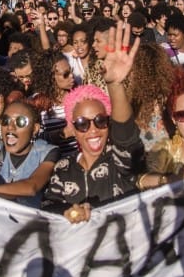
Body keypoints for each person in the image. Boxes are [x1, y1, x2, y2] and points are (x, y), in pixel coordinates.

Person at [43, 22, 144, 223]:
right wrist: (68, 212)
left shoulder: (119, 161)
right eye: (82, 123)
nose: (93, 130)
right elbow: (48, 208)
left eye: (100, 120)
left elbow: (126, 136)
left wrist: (114, 85)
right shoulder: (63, 168)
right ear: (72, 127)